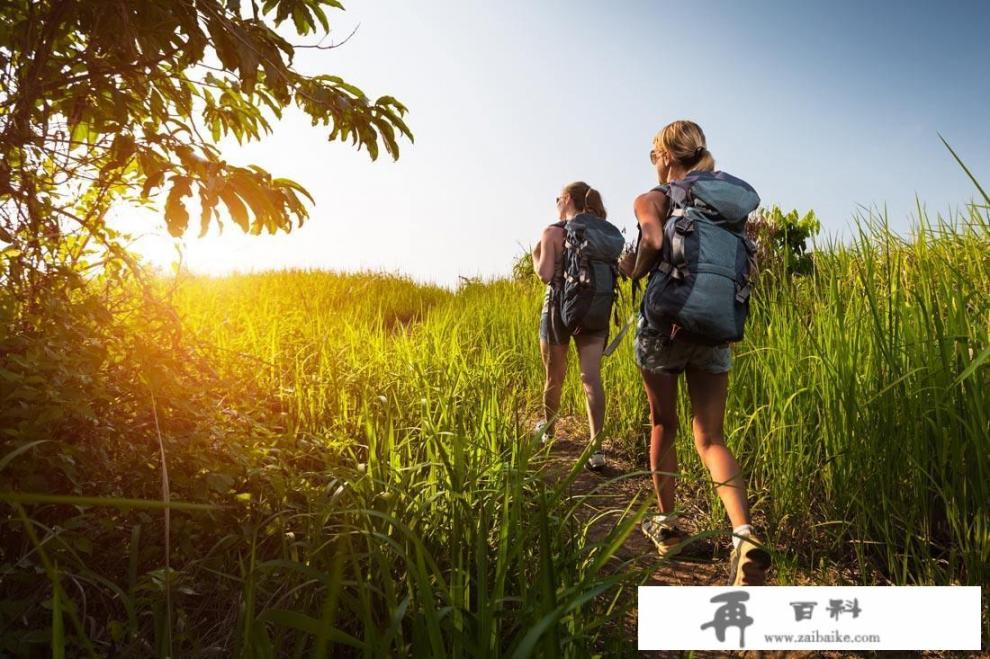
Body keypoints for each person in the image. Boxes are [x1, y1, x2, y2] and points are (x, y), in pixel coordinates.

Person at [618, 120, 771, 586]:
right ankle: (743, 534)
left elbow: (654, 239)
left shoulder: (657, 196)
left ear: (666, 156)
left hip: (666, 326)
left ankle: (667, 525)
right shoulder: (725, 203)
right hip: (716, 327)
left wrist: (632, 268)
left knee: (664, 423)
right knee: (711, 438)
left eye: (653, 154)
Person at [532, 181, 613, 471]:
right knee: (590, 378)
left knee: (554, 376)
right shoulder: (599, 232)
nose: (556, 202)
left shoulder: (553, 232)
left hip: (556, 308)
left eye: (557, 198)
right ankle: (597, 449)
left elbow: (544, 274)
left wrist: (535, 255)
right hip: (593, 308)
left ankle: (549, 431)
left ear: (567, 200)